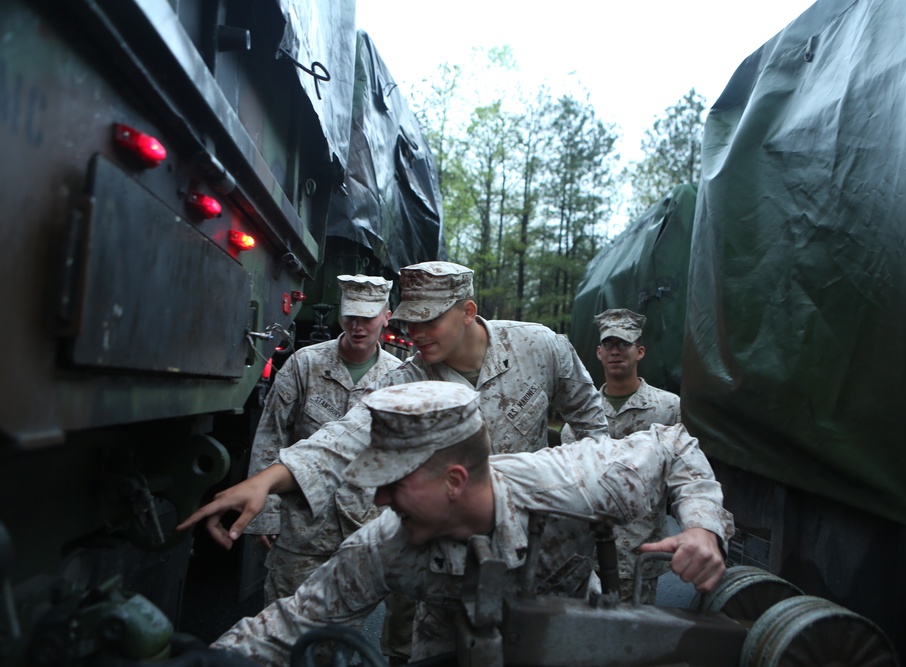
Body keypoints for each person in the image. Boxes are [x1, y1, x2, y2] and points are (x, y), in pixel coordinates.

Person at [178, 261, 608, 663]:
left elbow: (592, 424)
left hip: (543, 551)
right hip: (451, 560)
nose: (415, 332)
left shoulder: (540, 347)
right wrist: (270, 479)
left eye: (429, 319)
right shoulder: (406, 380)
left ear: (468, 311)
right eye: (409, 320)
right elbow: (347, 433)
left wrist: (587, 499)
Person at [208, 381, 733, 664]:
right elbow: (292, 623)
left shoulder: (570, 480)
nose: (381, 497)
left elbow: (672, 446)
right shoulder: (385, 543)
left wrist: (702, 526)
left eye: (395, 481)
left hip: (572, 643)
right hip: (451, 649)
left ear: (454, 481)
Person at [243, 274, 401, 605]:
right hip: (302, 528)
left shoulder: (398, 377)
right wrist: (267, 514)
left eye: (368, 318)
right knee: (285, 628)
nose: (358, 326)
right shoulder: (306, 364)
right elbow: (272, 434)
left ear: (386, 316)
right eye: (350, 316)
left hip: (362, 530)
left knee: (340, 636)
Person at [563, 308, 682, 604]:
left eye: (624, 344)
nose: (616, 352)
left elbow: (683, 475)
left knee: (635, 639)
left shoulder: (667, 409)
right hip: (587, 555)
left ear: (640, 352)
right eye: (609, 345)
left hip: (641, 551)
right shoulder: (579, 418)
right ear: (599, 353)